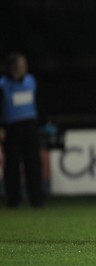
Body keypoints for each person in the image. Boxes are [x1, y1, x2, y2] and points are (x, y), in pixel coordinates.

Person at [0, 53, 44, 208]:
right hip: (11, 127)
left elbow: (39, 102)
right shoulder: (3, 84)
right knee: (12, 164)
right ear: (13, 66)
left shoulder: (31, 81)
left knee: (33, 163)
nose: (24, 67)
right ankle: (13, 200)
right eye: (21, 64)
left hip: (30, 125)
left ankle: (37, 199)